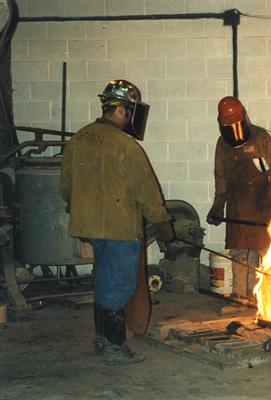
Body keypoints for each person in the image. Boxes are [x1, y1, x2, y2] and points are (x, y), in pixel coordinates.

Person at [60, 79, 174, 366]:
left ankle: (101, 338)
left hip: (90, 227)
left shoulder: (79, 138)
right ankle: (113, 346)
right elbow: (146, 190)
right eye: (131, 110)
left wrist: (82, 209)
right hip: (119, 228)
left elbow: (65, 186)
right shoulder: (125, 145)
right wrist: (162, 222)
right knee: (119, 284)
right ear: (123, 109)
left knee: (103, 279)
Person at [206, 96, 271, 300]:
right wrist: (217, 206)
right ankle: (240, 298)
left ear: (244, 119)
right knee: (239, 253)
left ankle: (261, 299)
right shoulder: (222, 145)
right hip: (237, 205)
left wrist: (270, 198)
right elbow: (220, 177)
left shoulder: (260, 137)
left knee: (261, 252)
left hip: (260, 204)